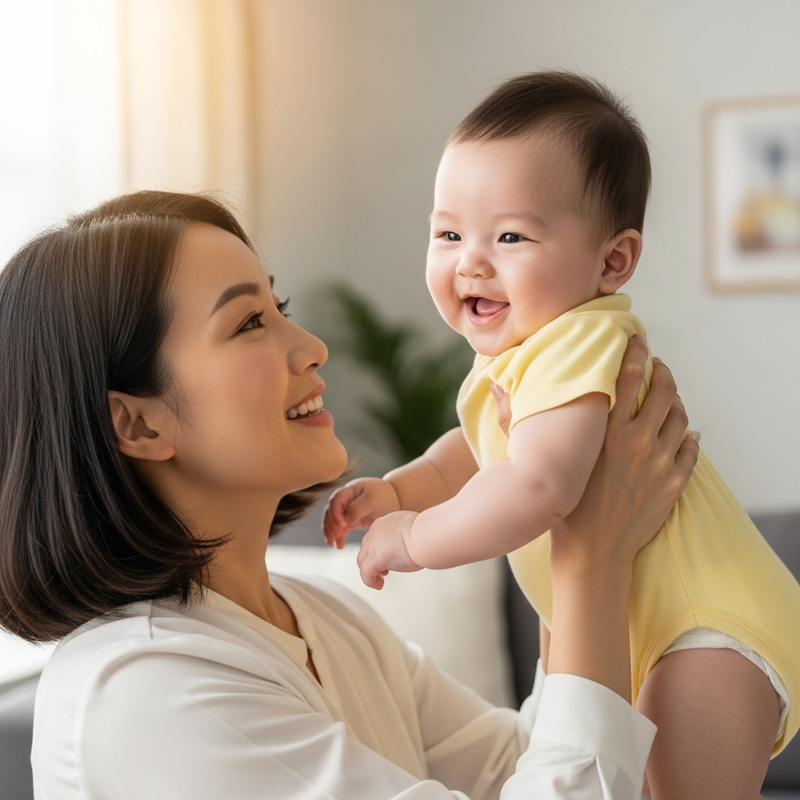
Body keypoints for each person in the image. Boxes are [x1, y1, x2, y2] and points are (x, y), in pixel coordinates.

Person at [0, 190, 698, 800]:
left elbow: (538, 769)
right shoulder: (147, 696)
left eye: (281, 308)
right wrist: (591, 558)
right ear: (137, 421)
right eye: (249, 323)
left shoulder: (328, 620)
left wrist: (558, 503)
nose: (311, 347)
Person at [323, 72, 800, 800]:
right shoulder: (519, 358)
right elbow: (477, 453)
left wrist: (413, 536)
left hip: (707, 630)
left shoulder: (578, 340)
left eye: (510, 236)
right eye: (449, 233)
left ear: (611, 262)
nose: (470, 261)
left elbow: (538, 485)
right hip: (649, 629)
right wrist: (400, 487)